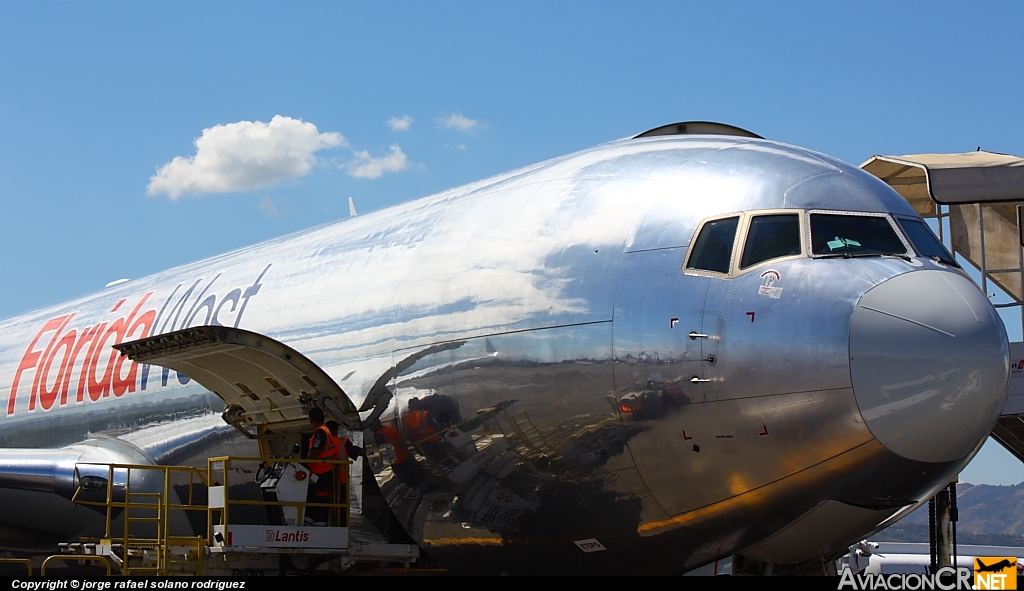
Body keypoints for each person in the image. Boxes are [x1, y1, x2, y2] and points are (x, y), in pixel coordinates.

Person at [304, 407, 337, 526]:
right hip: (320, 472)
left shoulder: (320, 432)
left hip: (321, 472)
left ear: (311, 420)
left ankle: (320, 524)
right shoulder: (325, 430)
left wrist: (304, 463)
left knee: (320, 499)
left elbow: (315, 451)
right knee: (314, 498)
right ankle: (311, 521)